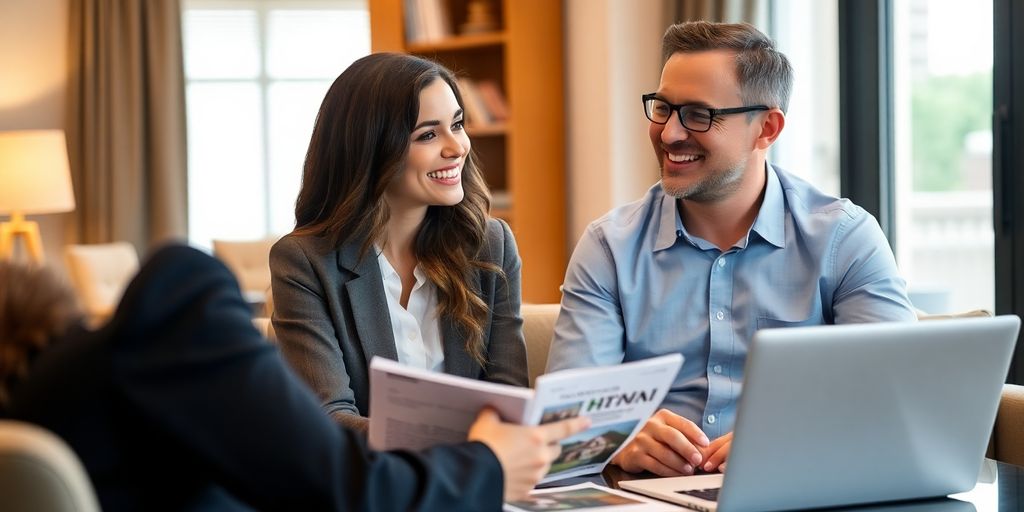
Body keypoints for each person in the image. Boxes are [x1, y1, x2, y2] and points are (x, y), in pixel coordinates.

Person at [545, 21, 917, 477]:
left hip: (797, 488)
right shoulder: (609, 246)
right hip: (646, 495)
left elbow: (896, 397)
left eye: (699, 115)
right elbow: (563, 425)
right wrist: (620, 435)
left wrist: (792, 436)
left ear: (767, 127)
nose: (669, 134)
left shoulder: (844, 239)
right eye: (663, 108)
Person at [0, 246, 588, 511]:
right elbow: (340, 483)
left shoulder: (43, 415)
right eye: (428, 131)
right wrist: (484, 465)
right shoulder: (171, 310)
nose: (454, 147)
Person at [270, 53, 527, 433]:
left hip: (473, 479)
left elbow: (509, 399)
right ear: (370, 150)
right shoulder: (304, 263)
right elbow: (329, 420)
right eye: (427, 134)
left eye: (457, 124)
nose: (457, 147)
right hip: (371, 484)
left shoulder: (491, 245)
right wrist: (458, 438)